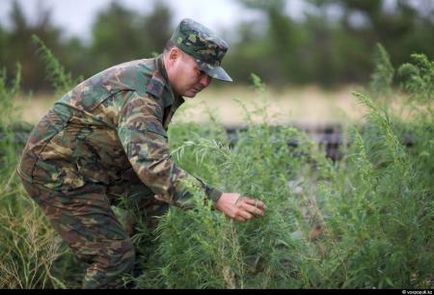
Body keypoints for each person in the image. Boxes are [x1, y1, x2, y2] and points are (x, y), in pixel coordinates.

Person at [17, 18, 266, 288]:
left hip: (95, 163)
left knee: (154, 208)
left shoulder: (160, 82)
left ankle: (128, 282)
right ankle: (114, 274)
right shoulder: (142, 94)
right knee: (113, 256)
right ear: (173, 56)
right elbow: (154, 168)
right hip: (55, 168)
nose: (205, 82)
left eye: (211, 76)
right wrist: (216, 199)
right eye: (200, 71)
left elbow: (149, 165)